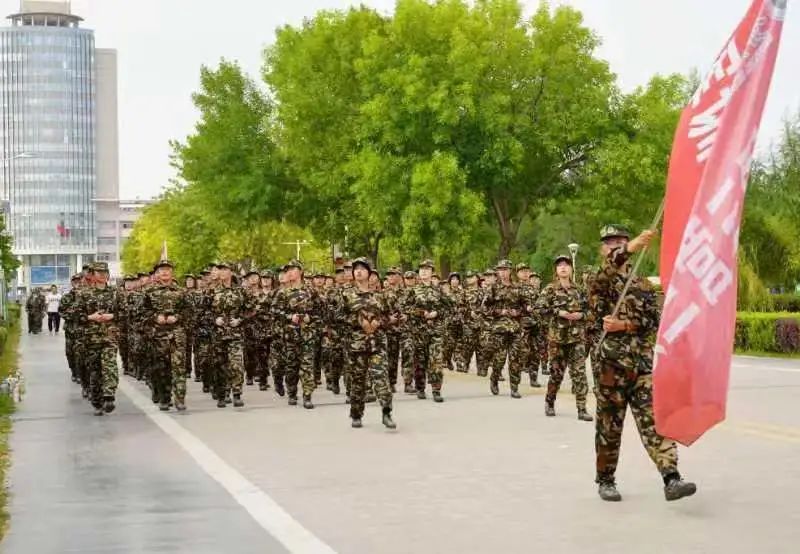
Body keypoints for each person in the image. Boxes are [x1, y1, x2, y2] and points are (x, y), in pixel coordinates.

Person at [589, 224, 696, 502]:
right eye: (610, 242)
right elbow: (603, 277)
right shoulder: (597, 277)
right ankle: (606, 480)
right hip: (610, 365)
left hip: (641, 365)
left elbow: (653, 321)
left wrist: (625, 325)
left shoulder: (642, 284)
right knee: (610, 426)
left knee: (654, 420)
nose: (614, 245)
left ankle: (671, 477)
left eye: (620, 241)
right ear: (602, 249)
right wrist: (630, 247)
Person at [338, 257, 396, 429]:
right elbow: (337, 316)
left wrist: (379, 322)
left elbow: (391, 316)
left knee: (381, 378)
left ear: (370, 273)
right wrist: (358, 321)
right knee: (358, 380)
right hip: (356, 345)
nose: (359, 271)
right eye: (356, 269)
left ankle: (386, 412)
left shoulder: (380, 295)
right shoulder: (346, 294)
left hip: (377, 344)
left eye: (363, 269)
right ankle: (356, 414)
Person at [536, 255, 593, 421]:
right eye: (560, 265)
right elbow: (538, 308)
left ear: (571, 269)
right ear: (556, 270)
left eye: (566, 265)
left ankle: (582, 408)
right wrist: (558, 312)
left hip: (577, 339)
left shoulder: (580, 290)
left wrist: (581, 315)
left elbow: (591, 311)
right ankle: (550, 402)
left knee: (579, 374)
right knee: (556, 374)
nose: (563, 267)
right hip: (557, 340)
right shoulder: (550, 289)